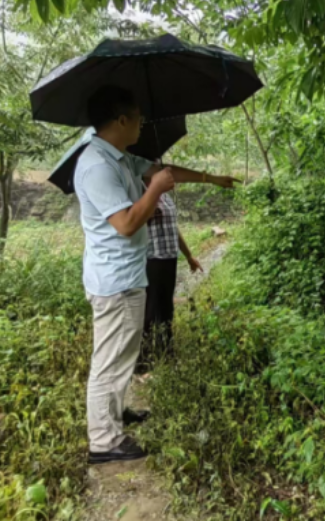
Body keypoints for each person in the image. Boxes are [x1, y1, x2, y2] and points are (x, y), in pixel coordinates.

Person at [73, 85, 239, 464]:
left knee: (124, 354)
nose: (141, 125)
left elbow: (162, 172)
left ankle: (117, 413)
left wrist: (210, 178)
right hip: (115, 282)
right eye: (138, 119)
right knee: (109, 360)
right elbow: (127, 223)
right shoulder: (98, 166)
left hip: (129, 277)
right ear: (121, 120)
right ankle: (104, 441)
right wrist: (157, 190)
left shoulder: (120, 158)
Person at [139, 189, 202, 369]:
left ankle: (166, 352)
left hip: (169, 258)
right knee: (151, 310)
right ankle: (144, 361)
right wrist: (149, 209)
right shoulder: (140, 195)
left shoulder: (165, 197)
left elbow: (173, 228)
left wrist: (189, 256)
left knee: (166, 308)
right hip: (151, 259)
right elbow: (131, 225)